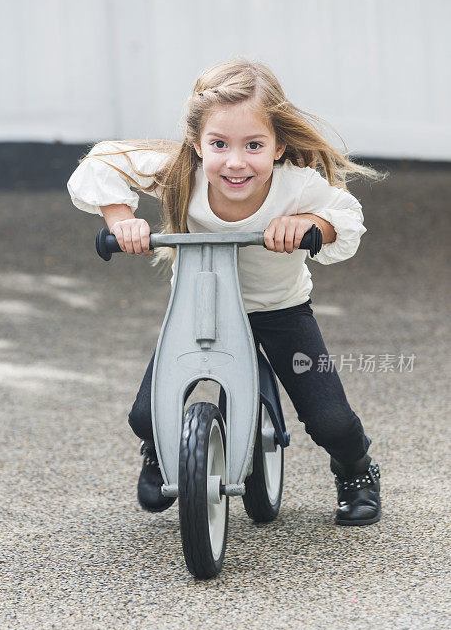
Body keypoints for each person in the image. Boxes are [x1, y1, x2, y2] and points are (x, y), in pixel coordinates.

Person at [67, 57, 386, 526]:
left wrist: (309, 224)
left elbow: (347, 217)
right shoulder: (180, 172)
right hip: (201, 312)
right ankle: (161, 451)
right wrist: (122, 221)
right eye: (219, 144)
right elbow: (101, 162)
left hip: (279, 311)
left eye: (254, 145)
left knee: (330, 419)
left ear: (278, 146)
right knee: (145, 414)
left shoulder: (296, 185)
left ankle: (356, 471)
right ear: (197, 143)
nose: (236, 161)